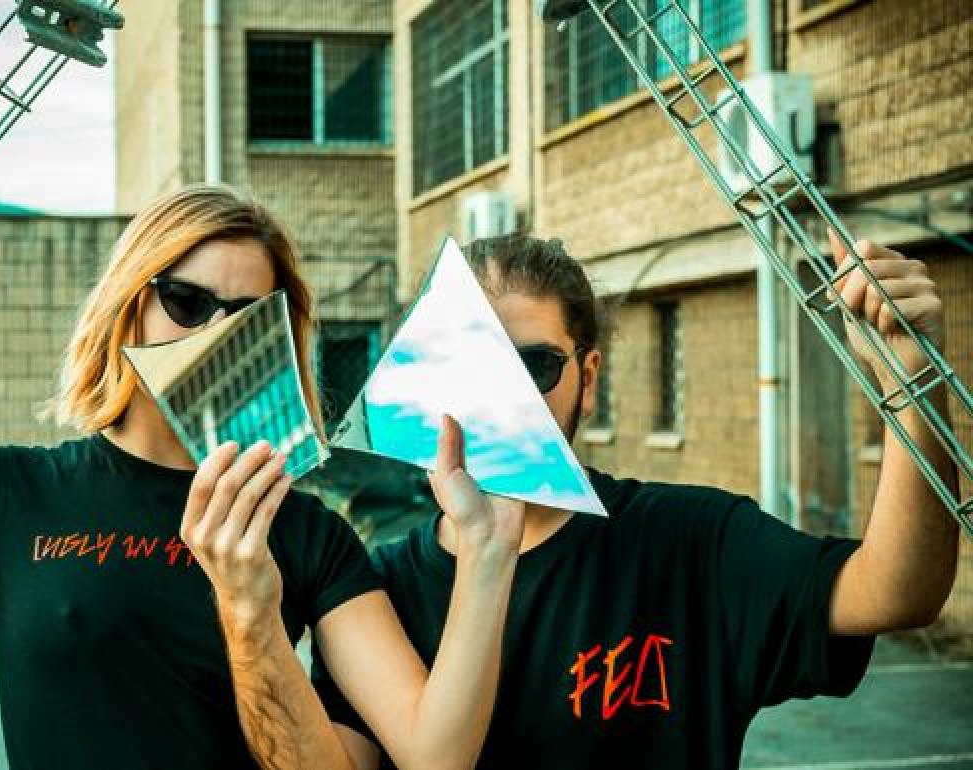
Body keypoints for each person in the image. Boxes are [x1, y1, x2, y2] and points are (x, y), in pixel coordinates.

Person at [0, 185, 523, 770]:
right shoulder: (5, 491)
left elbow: (434, 756)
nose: (213, 334)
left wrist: (254, 610)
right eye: (186, 301)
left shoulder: (306, 532)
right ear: (128, 307)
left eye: (246, 317)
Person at [303, 232, 960, 768]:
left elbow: (896, 592)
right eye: (472, 367)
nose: (502, 398)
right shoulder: (374, 599)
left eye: (534, 366)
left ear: (588, 380)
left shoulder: (688, 542)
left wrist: (912, 381)